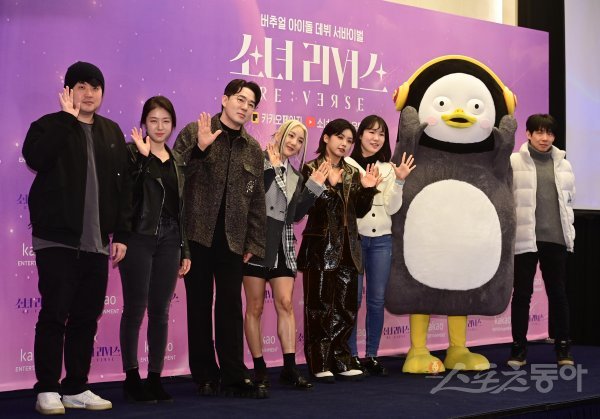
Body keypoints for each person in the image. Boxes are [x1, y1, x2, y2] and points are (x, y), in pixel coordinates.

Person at [22, 61, 130, 415]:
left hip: (97, 243)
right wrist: (67, 120)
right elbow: (37, 158)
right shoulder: (48, 125)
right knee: (54, 314)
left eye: (95, 87)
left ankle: (76, 387)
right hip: (57, 240)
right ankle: (47, 388)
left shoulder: (111, 131)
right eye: (81, 86)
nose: (88, 94)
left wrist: (121, 233)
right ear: (68, 91)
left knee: (86, 317)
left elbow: (123, 187)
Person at [173, 79, 268, 398]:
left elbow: (256, 199)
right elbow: (175, 176)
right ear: (225, 99)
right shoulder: (195, 131)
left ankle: (233, 376)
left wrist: (254, 242)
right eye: (240, 99)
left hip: (233, 240)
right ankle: (204, 375)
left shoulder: (252, 149)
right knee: (199, 307)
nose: (245, 107)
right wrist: (199, 149)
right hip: (197, 235)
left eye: (251, 104)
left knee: (230, 308)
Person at [243, 120, 330, 390]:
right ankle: (259, 368)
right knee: (255, 307)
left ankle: (290, 368)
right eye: (290, 136)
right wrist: (270, 168)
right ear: (279, 134)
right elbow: (249, 198)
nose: (294, 142)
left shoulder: (295, 175)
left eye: (300, 140)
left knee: (285, 303)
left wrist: (313, 188)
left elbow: (294, 215)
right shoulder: (257, 161)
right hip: (257, 244)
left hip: (283, 246)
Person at [118, 96, 191, 403]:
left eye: (165, 121)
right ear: (144, 123)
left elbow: (182, 208)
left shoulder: (178, 161)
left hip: (171, 239)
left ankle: (155, 378)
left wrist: (185, 250)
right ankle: (131, 377)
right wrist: (144, 159)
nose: (159, 127)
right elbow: (126, 196)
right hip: (139, 236)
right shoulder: (132, 153)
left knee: (160, 311)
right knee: (135, 308)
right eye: (153, 120)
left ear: (172, 125)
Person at [297, 118, 380, 383]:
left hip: (349, 246)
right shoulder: (310, 168)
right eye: (340, 137)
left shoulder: (353, 172)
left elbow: (360, 211)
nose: (344, 144)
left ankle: (341, 358)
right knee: (319, 306)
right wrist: (328, 185)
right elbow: (308, 208)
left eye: (349, 140)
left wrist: (368, 190)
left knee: (345, 306)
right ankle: (320, 361)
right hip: (321, 246)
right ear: (326, 138)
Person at [345, 115, 415, 376]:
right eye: (371, 132)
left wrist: (399, 181)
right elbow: (349, 207)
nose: (376, 138)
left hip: (382, 241)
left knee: (376, 300)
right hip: (355, 240)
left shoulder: (389, 168)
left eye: (381, 134)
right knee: (353, 299)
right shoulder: (348, 165)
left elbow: (392, 208)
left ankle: (371, 355)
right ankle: (351, 355)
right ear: (360, 134)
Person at [508, 113, 576, 367]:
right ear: (528, 134)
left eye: (549, 133)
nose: (544, 137)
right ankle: (518, 349)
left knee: (558, 294)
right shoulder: (514, 162)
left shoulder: (564, 164)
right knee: (522, 295)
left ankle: (563, 347)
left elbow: (568, 201)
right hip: (525, 238)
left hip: (555, 239)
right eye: (539, 132)